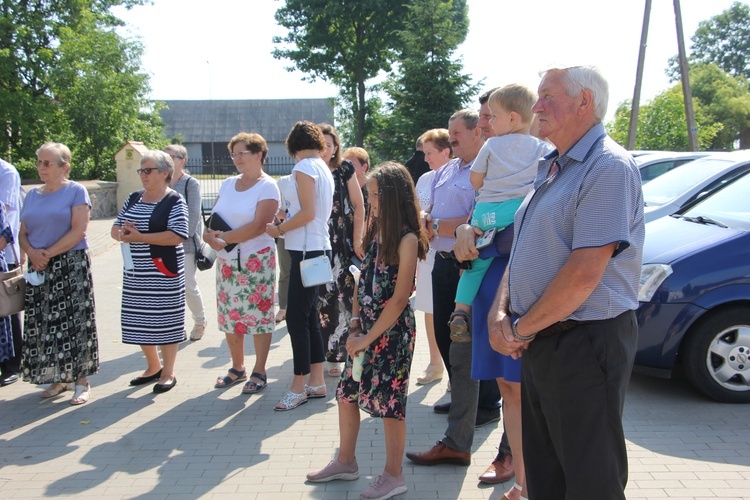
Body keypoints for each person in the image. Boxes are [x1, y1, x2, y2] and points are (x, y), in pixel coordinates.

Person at [488, 65, 644, 499]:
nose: (536, 106)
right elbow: (522, 251)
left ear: (584, 103)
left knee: (591, 481)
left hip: (584, 343)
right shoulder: (553, 165)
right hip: (544, 340)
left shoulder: (607, 167)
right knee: (546, 476)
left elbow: (584, 274)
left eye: (547, 96)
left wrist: (517, 328)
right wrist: (500, 312)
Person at [306, 162, 428, 500]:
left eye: (375, 195)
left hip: (392, 332)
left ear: (393, 196)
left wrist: (366, 339)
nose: (369, 200)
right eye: (368, 194)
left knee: (390, 403)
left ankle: (394, 475)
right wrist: (355, 324)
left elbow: (400, 298)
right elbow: (361, 282)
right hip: (366, 331)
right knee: (347, 394)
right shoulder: (376, 232)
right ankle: (346, 461)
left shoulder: (407, 238)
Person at [405, 110, 501, 468]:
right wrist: (427, 223)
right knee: (449, 341)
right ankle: (467, 400)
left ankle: (482, 407)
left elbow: (480, 220)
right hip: (442, 264)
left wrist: (440, 226)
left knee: (466, 346)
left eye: (457, 133)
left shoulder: (489, 169)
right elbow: (431, 208)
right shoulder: (448, 170)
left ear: (478, 133)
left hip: (469, 266)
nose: (452, 139)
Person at [448, 84, 554, 348]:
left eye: (493, 116)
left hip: (485, 214)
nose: (489, 123)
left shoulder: (492, 145)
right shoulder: (541, 148)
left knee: (474, 265)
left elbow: (475, 181)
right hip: (518, 210)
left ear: (513, 118)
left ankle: (460, 311)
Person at [20, 142, 98, 404]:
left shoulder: (76, 191)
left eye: (47, 163)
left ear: (64, 166)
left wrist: (47, 254)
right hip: (39, 266)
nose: (41, 167)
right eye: (39, 162)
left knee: (75, 322)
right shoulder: (31, 194)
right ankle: (60, 377)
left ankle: (82, 381)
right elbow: (23, 232)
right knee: (45, 323)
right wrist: (32, 252)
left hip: (69, 264)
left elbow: (79, 230)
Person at [266, 121, 334, 411]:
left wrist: (279, 230)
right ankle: (316, 381)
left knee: (296, 317)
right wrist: (283, 222)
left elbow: (308, 212)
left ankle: (299, 385)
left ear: (292, 146)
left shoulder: (304, 168)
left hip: (306, 249)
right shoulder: (322, 167)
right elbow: (306, 211)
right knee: (307, 317)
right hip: (314, 247)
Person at [204, 133, 279, 395]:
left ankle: (259, 369)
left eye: (241, 153)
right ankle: (237, 368)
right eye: (233, 154)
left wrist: (223, 238)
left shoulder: (268, 186)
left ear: (259, 154)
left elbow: (260, 225)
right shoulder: (227, 184)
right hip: (226, 261)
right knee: (230, 315)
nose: (236, 159)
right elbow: (212, 218)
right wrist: (208, 236)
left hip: (256, 261)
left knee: (258, 316)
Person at [112, 150, 188, 394]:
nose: (143, 175)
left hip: (163, 270)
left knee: (166, 320)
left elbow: (177, 235)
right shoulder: (134, 197)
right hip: (136, 272)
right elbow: (115, 228)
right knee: (140, 320)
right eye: (141, 170)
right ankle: (152, 366)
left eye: (148, 170)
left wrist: (141, 237)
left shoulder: (174, 200)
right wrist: (123, 233)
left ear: (165, 173)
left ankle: (168, 372)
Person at [317, 123, 365, 377]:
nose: (325, 149)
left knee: (347, 297)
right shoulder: (308, 171)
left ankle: (349, 352)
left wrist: (357, 240)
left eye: (329, 144)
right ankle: (330, 356)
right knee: (323, 299)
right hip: (317, 243)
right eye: (320, 144)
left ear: (336, 146)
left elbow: (359, 206)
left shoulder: (345, 169)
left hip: (343, 242)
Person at [413, 128, 452, 386]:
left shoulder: (461, 175)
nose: (425, 158)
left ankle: (455, 370)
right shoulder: (424, 178)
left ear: (446, 151)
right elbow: (416, 210)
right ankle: (435, 362)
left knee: (453, 309)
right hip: (427, 252)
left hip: (449, 250)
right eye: (424, 153)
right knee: (429, 308)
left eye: (430, 153)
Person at [164, 144, 207, 341]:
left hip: (185, 243)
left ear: (182, 160)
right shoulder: (161, 183)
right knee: (169, 288)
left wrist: (178, 236)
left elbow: (193, 215)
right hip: (162, 243)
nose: (166, 159)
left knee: (188, 284)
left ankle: (200, 321)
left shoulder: (190, 183)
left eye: (170, 156)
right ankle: (175, 327)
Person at [0, 158, 23, 387]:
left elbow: (4, 211)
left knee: (7, 310)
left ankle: (13, 364)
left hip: (4, 256)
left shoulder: (5, 171)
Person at [274, 174, 292, 323]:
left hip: (308, 237)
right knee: (286, 271)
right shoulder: (283, 181)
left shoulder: (316, 178)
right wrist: (292, 218)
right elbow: (276, 209)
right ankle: (283, 307)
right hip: (285, 234)